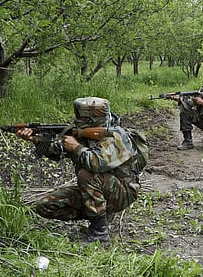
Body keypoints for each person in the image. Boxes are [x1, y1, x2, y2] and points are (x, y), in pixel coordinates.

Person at [16, 97, 140, 243]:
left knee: (86, 175)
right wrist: (35, 140)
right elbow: (57, 152)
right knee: (45, 205)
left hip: (122, 193)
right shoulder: (83, 133)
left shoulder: (116, 136)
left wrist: (76, 147)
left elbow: (96, 163)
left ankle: (100, 234)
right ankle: (99, 214)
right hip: (100, 191)